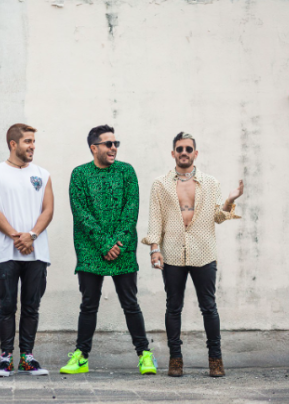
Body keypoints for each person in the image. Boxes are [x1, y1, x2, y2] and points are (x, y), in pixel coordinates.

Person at [142, 131, 243, 377]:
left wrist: (230, 200)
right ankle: (175, 359)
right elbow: (155, 219)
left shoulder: (210, 183)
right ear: (173, 153)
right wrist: (155, 249)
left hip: (203, 252)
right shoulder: (160, 184)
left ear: (195, 153)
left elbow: (218, 217)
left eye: (188, 149)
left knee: (209, 307)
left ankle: (216, 359)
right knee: (173, 307)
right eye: (180, 149)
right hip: (172, 252)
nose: (184, 153)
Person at [60, 125, 157, 375]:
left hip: (122, 249)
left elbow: (131, 210)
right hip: (90, 249)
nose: (114, 148)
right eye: (108, 144)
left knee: (130, 303)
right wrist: (104, 244)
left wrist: (117, 244)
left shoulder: (126, 171)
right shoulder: (80, 174)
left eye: (116, 144)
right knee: (89, 304)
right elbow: (81, 212)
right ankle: (81, 357)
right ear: (94, 148)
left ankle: (145, 355)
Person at [0, 123, 54, 377]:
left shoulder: (42, 174)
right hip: (6, 252)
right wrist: (17, 236)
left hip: (36, 251)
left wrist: (31, 235)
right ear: (13, 144)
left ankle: (27, 357)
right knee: (7, 306)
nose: (32, 146)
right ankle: (5, 358)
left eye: (33, 141)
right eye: (27, 141)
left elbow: (48, 210)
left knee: (31, 306)